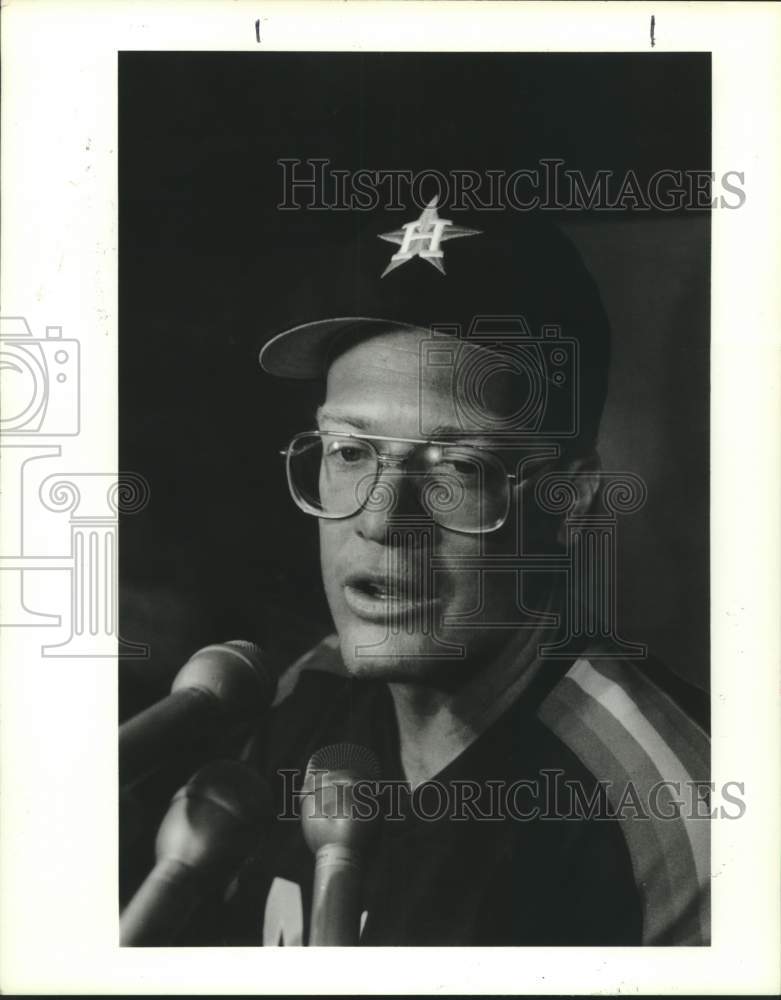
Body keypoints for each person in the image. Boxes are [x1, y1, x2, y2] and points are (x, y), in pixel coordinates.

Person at [216, 201, 710, 946]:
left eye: (457, 467)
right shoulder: (304, 696)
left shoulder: (665, 812)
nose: (381, 521)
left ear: (564, 502)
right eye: (349, 452)